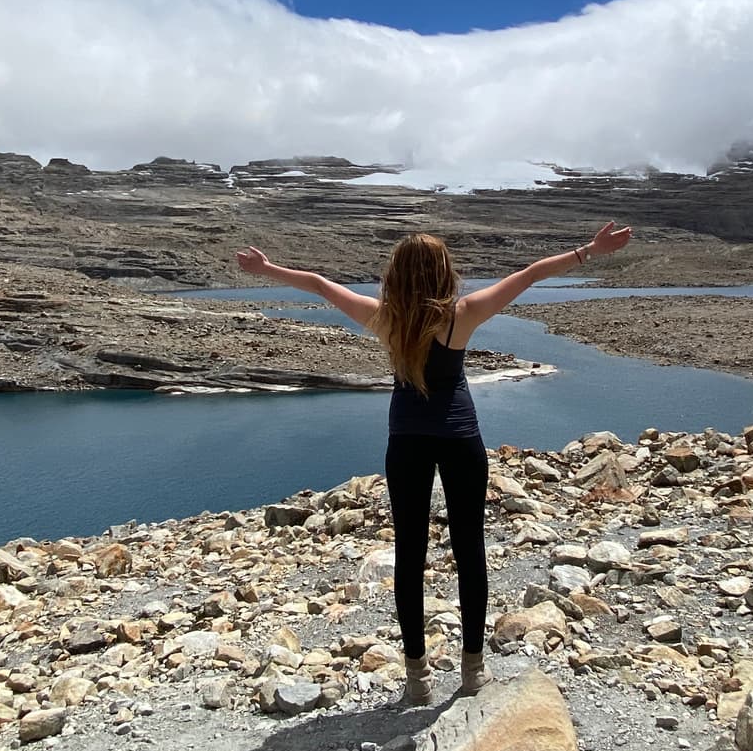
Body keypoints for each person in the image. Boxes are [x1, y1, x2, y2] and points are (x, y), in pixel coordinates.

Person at [234, 221, 634, 705]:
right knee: (470, 552)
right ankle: (471, 672)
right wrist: (588, 250)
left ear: (395, 276)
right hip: (460, 440)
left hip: (407, 443)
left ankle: (417, 678)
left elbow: (319, 284)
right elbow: (528, 274)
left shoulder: (385, 318)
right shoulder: (461, 316)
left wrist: (268, 268)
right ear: (444, 272)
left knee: (410, 556)